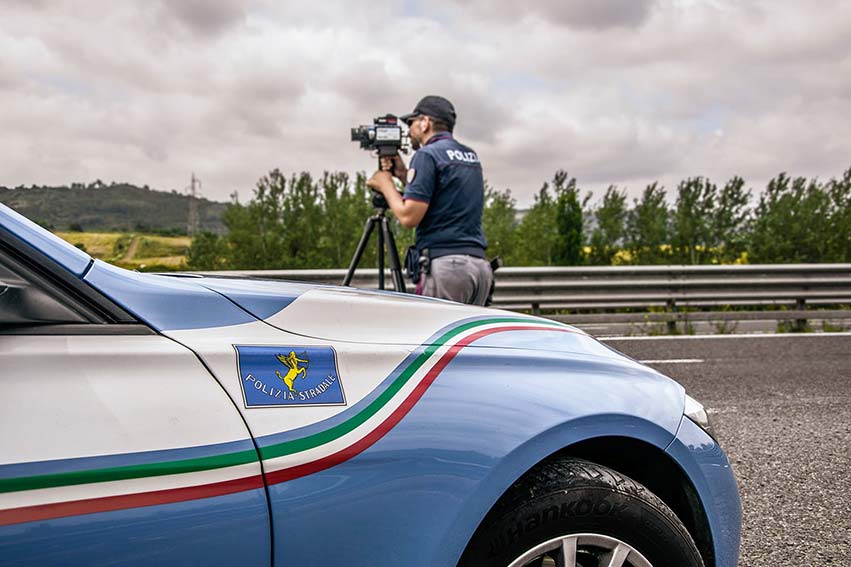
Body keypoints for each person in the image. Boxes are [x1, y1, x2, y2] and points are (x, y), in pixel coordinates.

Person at [366, 95, 493, 306]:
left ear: (425, 123)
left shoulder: (427, 155)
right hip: (479, 268)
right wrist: (405, 175)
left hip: (447, 268)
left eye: (411, 123)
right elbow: (443, 196)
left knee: (436, 338)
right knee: (463, 340)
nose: (409, 131)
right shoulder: (470, 156)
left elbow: (409, 216)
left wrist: (385, 183)